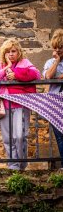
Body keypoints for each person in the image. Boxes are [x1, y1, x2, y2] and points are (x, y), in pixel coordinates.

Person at [0, 39, 41, 170]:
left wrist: (16, 75)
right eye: (8, 52)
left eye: (13, 51)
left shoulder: (24, 62)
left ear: (19, 52)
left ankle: (22, 163)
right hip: (4, 105)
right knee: (8, 138)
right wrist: (7, 67)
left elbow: (36, 74)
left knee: (19, 136)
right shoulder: (1, 65)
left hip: (20, 104)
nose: (11, 54)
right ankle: (13, 166)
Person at [43, 29, 63, 163]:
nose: (58, 50)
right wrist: (57, 61)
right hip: (55, 103)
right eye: (55, 48)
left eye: (60, 48)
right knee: (60, 136)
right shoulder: (50, 62)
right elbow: (48, 76)